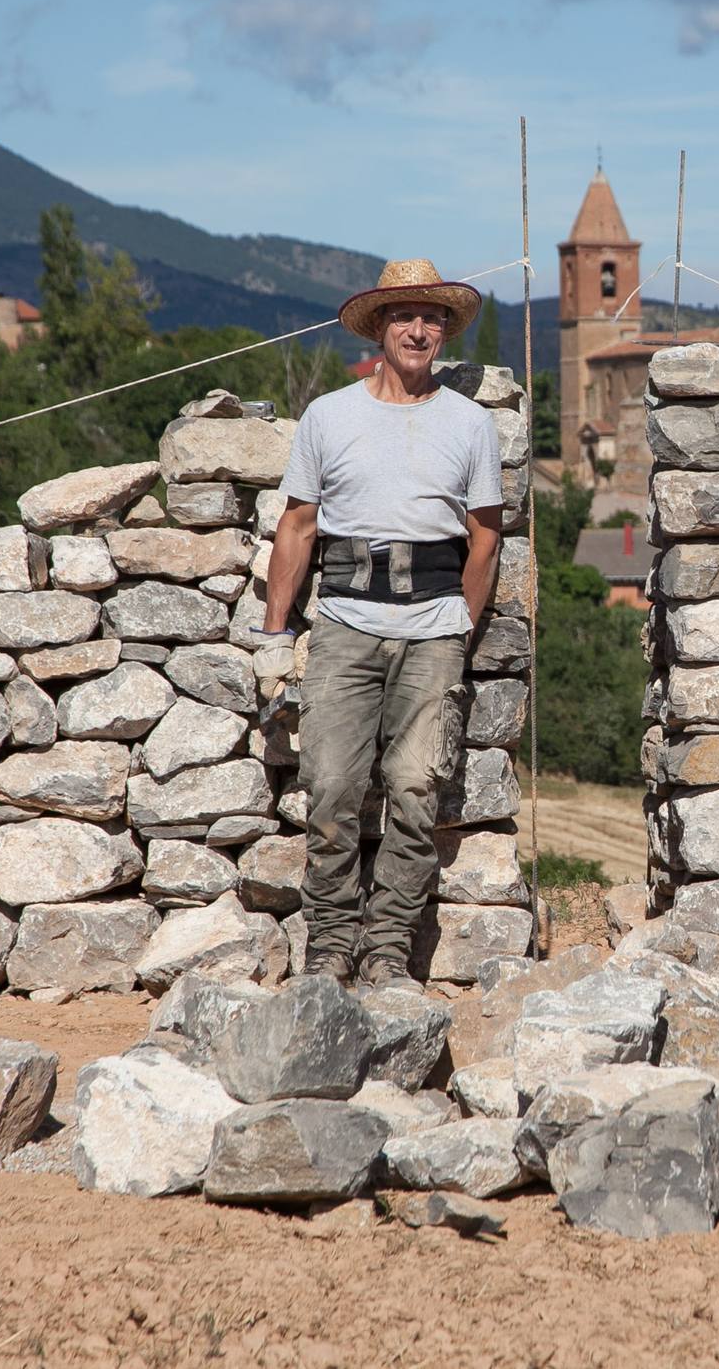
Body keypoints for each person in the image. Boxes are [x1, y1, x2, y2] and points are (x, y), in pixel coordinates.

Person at [259, 259, 504, 989]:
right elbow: (297, 526)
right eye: (404, 317)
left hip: (432, 630)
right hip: (343, 623)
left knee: (416, 787)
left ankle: (390, 946)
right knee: (332, 786)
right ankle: (331, 942)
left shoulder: (470, 424)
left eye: (431, 319)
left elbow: (485, 537)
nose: (419, 329)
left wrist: (458, 624)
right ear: (380, 329)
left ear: (443, 332)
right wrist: (274, 637)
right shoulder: (330, 415)